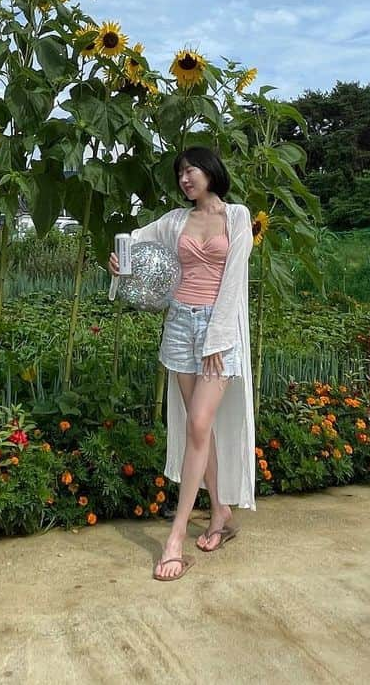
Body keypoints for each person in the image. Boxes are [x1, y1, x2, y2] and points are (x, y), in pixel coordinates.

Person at [109, 146, 255, 581]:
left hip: (218, 332)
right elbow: (131, 240)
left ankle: (175, 539)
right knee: (198, 427)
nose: (185, 178)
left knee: (197, 424)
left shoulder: (237, 217)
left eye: (191, 169)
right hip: (179, 327)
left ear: (211, 170)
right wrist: (119, 263)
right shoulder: (175, 221)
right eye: (180, 173)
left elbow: (233, 284)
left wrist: (218, 338)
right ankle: (220, 514)